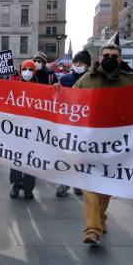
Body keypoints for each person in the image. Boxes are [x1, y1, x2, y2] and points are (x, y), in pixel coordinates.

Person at [73, 44, 133, 245]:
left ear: (120, 59)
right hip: (91, 143)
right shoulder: (85, 80)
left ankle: (101, 218)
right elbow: (70, 103)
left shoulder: (131, 81)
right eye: (106, 55)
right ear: (99, 58)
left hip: (117, 145)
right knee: (89, 185)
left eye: (114, 56)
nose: (109, 58)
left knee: (106, 186)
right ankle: (92, 229)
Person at [55, 50, 92, 198]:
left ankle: (79, 185)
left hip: (86, 124)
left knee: (82, 156)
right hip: (68, 123)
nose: (77, 65)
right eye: (76, 62)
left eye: (81, 63)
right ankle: (64, 184)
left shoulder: (92, 79)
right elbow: (58, 98)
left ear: (87, 66)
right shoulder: (65, 79)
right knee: (67, 154)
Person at [9, 60, 41, 200]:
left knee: (31, 160)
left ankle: (28, 188)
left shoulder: (41, 88)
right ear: (21, 70)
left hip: (34, 131)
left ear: (34, 72)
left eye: (30, 69)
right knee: (15, 159)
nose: (27, 71)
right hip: (16, 129)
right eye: (25, 69)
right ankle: (15, 185)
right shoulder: (14, 87)